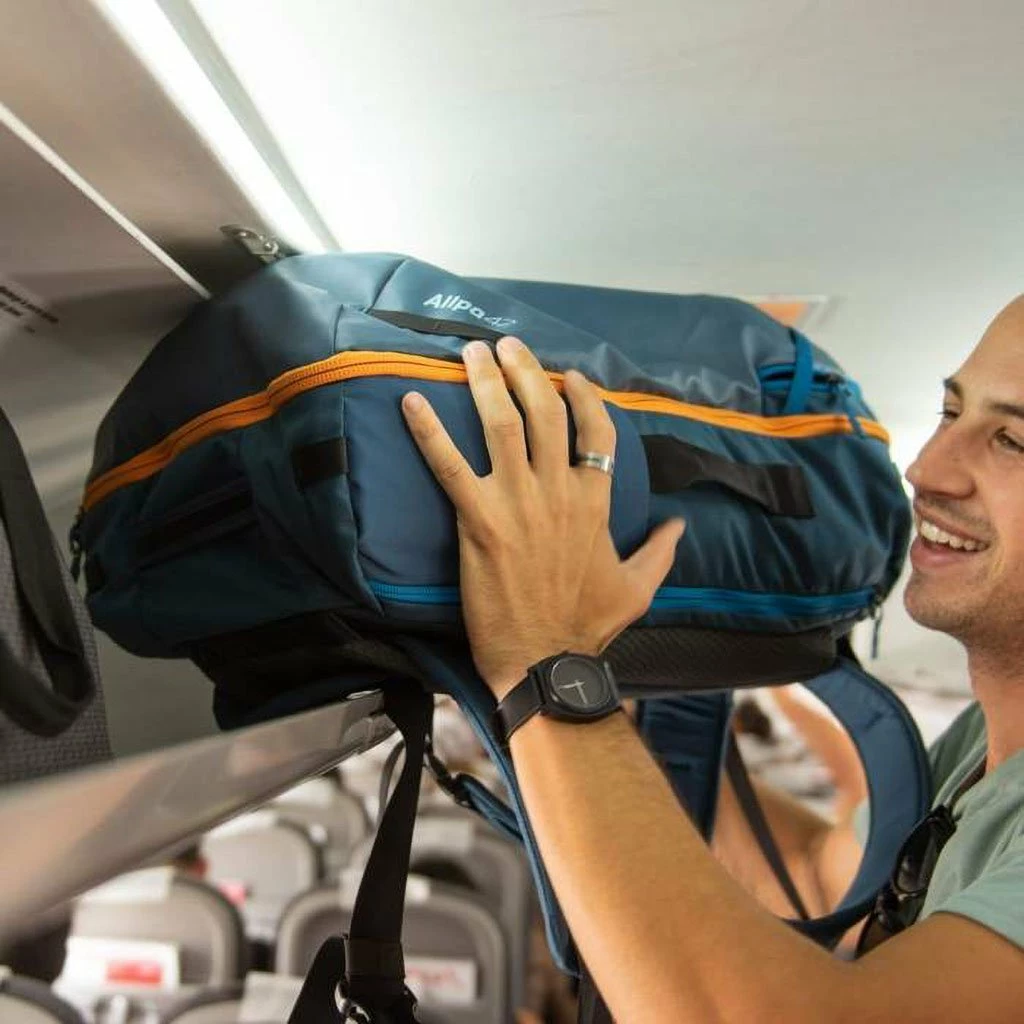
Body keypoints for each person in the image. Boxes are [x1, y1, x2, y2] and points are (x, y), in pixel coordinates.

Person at [398, 300, 1024, 1022]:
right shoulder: (982, 752)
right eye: (951, 412)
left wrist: (547, 661)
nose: (927, 469)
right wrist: (634, 699)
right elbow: (818, 873)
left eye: (1012, 440)